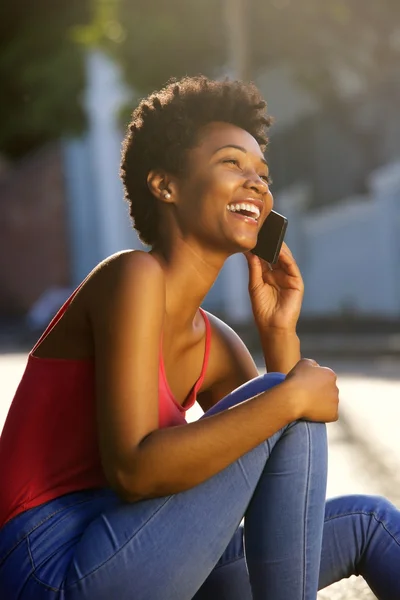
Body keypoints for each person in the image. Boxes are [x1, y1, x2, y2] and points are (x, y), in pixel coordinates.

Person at [0, 76, 399, 600]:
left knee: (373, 522)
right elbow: (134, 472)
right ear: (165, 185)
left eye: (263, 173)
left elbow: (278, 490)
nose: (256, 183)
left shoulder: (218, 343)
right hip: (51, 563)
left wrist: (279, 332)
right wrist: (289, 393)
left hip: (141, 551)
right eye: (232, 163)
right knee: (283, 397)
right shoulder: (131, 278)